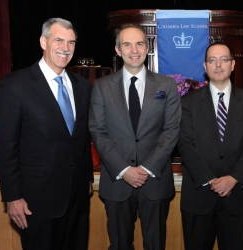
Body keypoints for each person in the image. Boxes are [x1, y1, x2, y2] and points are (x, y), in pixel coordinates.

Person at [0, 18, 93, 249]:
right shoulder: (15, 85)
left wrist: (86, 177)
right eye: (59, 40)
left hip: (76, 197)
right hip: (35, 200)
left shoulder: (82, 86)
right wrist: (12, 196)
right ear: (43, 41)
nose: (65, 48)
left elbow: (81, 139)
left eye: (71, 42)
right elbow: (5, 146)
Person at [88, 23, 181, 250]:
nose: (134, 50)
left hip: (155, 181)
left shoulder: (167, 85)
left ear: (148, 47)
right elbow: (98, 131)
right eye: (127, 44)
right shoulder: (101, 87)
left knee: (155, 244)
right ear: (118, 50)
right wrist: (124, 170)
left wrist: (146, 168)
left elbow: (171, 130)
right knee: (119, 245)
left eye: (139, 43)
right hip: (117, 181)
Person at [178, 42, 243, 250]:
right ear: (205, 66)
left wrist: (233, 178)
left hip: (238, 196)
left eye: (224, 59)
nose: (218, 64)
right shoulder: (187, 103)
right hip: (199, 197)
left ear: (233, 64)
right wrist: (210, 179)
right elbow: (185, 143)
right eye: (212, 60)